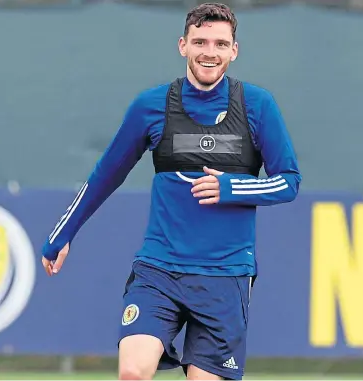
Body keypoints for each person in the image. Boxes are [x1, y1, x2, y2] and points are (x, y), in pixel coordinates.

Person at [41, 3, 302, 380]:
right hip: (159, 270)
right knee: (132, 371)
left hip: (225, 276)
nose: (209, 52)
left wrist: (231, 187)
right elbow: (105, 175)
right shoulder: (151, 106)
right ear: (183, 45)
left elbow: (289, 180)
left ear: (234, 50)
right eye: (200, 41)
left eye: (219, 43)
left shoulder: (258, 105)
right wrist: (63, 233)